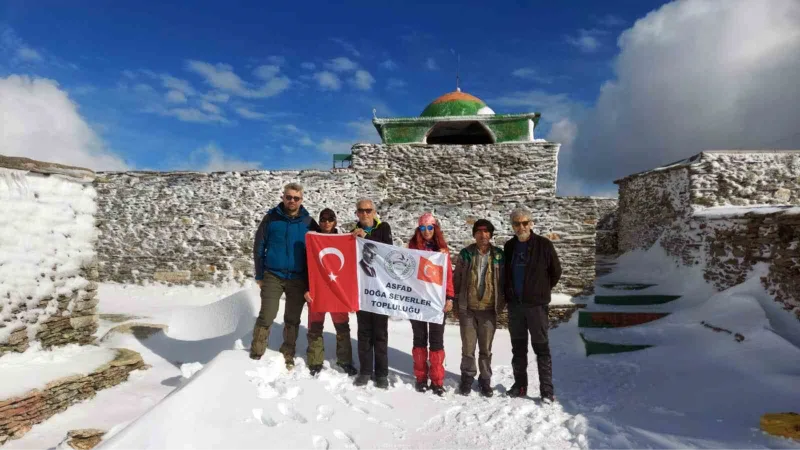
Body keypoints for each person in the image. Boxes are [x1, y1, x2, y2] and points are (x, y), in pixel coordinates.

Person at [249, 183, 320, 370]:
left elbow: (325, 243)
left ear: (301, 200)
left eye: (296, 198)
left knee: (292, 318)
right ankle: (256, 352)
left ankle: (288, 353)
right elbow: (259, 246)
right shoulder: (271, 219)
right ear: (283, 197)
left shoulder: (308, 222)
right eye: (289, 197)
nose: (292, 201)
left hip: (297, 277)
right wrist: (259, 274)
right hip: (273, 274)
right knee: (267, 314)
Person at [503, 208, 562, 402]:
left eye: (525, 223)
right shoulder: (509, 246)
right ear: (512, 226)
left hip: (536, 307)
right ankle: (520, 386)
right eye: (517, 224)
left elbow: (556, 272)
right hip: (516, 307)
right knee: (518, 349)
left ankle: (546, 390)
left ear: (531, 223)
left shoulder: (544, 245)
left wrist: (540, 290)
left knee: (541, 348)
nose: (521, 227)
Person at [303, 208, 359, 377]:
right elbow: (305, 267)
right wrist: (305, 288)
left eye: (330, 219)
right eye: (323, 219)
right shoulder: (312, 240)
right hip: (317, 290)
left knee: (342, 328)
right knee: (315, 327)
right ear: (319, 221)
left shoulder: (345, 240)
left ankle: (345, 360)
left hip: (337, 291)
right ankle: (315, 360)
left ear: (335, 221)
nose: (326, 222)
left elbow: (351, 267)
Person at [453, 219, 505, 397]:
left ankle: (485, 380)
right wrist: (456, 303)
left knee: (485, 349)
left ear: (491, 234)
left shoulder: (498, 255)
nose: (483, 235)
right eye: (479, 232)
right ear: (474, 234)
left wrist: (502, 302)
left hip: (489, 310)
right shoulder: (466, 254)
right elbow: (457, 279)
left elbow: (505, 281)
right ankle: (467, 378)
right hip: (468, 309)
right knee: (468, 348)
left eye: (486, 232)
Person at [407, 213, 455, 396]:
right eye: (423, 228)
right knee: (419, 339)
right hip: (418, 300)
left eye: (429, 227)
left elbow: (448, 276)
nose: (426, 231)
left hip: (436, 301)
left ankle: (437, 380)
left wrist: (449, 297)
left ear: (435, 228)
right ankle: (420, 377)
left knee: (436, 341)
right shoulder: (412, 248)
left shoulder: (442, 250)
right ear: (418, 229)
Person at [351, 198, 393, 389]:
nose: (365, 214)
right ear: (357, 213)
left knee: (381, 334)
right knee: (364, 333)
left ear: (374, 212)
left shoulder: (383, 228)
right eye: (361, 210)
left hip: (381, 291)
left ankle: (382, 373)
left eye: (368, 210)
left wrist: (365, 239)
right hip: (363, 291)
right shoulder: (352, 233)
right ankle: (366, 370)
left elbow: (387, 250)